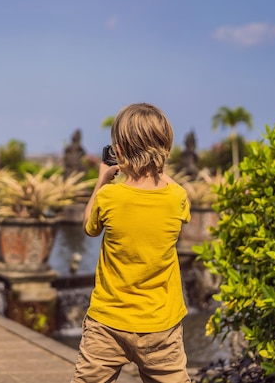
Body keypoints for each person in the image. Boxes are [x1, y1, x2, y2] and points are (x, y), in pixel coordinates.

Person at [71, 103, 191, 383]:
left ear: (119, 151)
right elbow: (180, 198)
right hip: (162, 325)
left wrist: (102, 180)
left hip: (107, 323)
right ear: (166, 149)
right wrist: (156, 170)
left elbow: (89, 226)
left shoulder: (109, 197)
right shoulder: (177, 198)